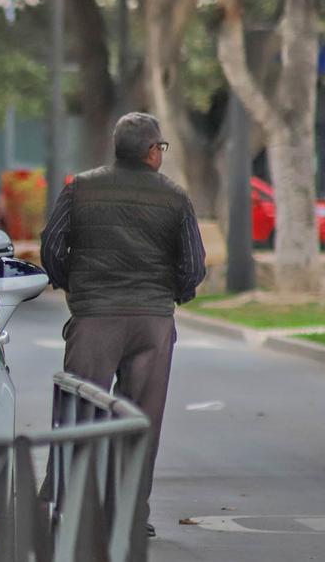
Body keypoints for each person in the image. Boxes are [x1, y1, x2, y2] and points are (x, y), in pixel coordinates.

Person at [40, 112, 206, 539]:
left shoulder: (80, 188)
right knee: (140, 420)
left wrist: (72, 286)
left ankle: (71, 505)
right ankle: (130, 513)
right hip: (152, 323)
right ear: (153, 152)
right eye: (161, 148)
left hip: (94, 318)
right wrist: (172, 297)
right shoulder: (175, 197)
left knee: (80, 412)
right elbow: (192, 265)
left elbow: (52, 247)